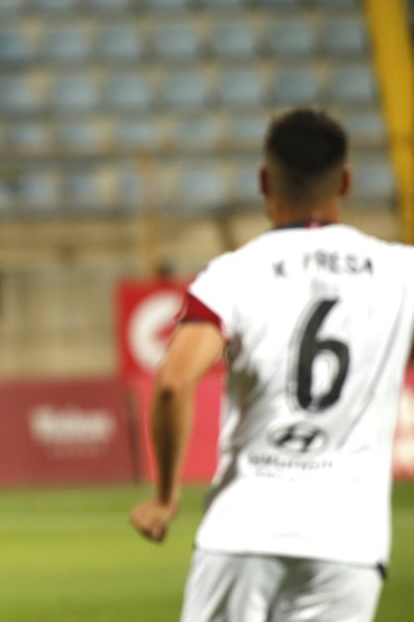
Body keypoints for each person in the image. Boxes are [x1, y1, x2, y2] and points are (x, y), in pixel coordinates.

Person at [130, 108, 414, 622]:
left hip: (243, 529)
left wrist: (166, 496)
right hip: (348, 540)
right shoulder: (401, 272)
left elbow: (173, 383)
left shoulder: (232, 275)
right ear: (345, 181)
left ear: (264, 180)